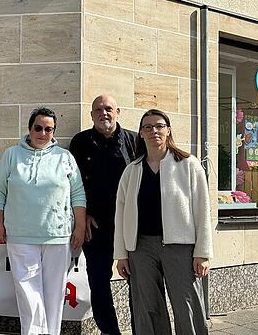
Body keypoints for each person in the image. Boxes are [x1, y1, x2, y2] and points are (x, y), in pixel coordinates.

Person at [114, 109, 212, 335]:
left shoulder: (188, 164)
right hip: (141, 248)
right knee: (147, 307)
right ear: (141, 133)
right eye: (147, 127)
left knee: (187, 305)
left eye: (159, 126)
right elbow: (121, 215)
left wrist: (203, 252)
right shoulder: (132, 171)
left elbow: (202, 210)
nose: (154, 131)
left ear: (168, 130)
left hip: (180, 247)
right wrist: (121, 254)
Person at [0, 107, 87, 335]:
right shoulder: (12, 155)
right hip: (21, 235)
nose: (43, 133)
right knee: (28, 292)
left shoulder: (65, 157)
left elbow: (77, 193)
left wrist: (80, 226)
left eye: (48, 129)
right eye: (38, 128)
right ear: (29, 129)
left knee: (55, 293)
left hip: (58, 235)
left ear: (54, 132)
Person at [69, 94, 137, 335]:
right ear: (91, 115)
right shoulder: (80, 142)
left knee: (138, 282)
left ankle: (140, 329)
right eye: (98, 110)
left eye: (108, 108)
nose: (103, 113)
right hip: (95, 226)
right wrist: (83, 215)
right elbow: (72, 184)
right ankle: (110, 331)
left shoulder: (134, 141)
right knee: (98, 282)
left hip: (130, 225)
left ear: (118, 112)